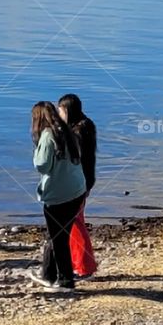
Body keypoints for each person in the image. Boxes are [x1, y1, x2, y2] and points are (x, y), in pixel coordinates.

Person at [29, 101, 86, 293]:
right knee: (61, 234)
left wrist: (36, 151)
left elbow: (42, 166)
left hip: (59, 195)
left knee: (58, 238)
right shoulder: (67, 131)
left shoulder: (47, 136)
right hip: (77, 191)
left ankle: (66, 281)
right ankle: (49, 275)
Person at [59, 92, 98, 278]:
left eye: (60, 110)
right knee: (75, 221)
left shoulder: (77, 132)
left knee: (76, 223)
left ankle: (85, 266)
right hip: (85, 180)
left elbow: (74, 159)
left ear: (66, 110)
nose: (59, 114)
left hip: (77, 182)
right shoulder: (87, 126)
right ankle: (80, 263)